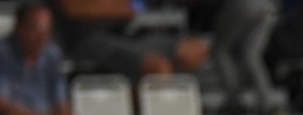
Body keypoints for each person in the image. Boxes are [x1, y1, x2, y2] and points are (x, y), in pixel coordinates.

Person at [187, 0, 283, 115]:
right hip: (269, 7)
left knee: (219, 50)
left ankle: (234, 101)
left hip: (244, 4)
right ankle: (267, 106)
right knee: (250, 55)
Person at [50, 0, 208, 79]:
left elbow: (134, 6)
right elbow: (73, 9)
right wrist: (114, 7)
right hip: (87, 43)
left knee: (195, 49)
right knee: (157, 67)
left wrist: (124, 7)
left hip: (127, 36)